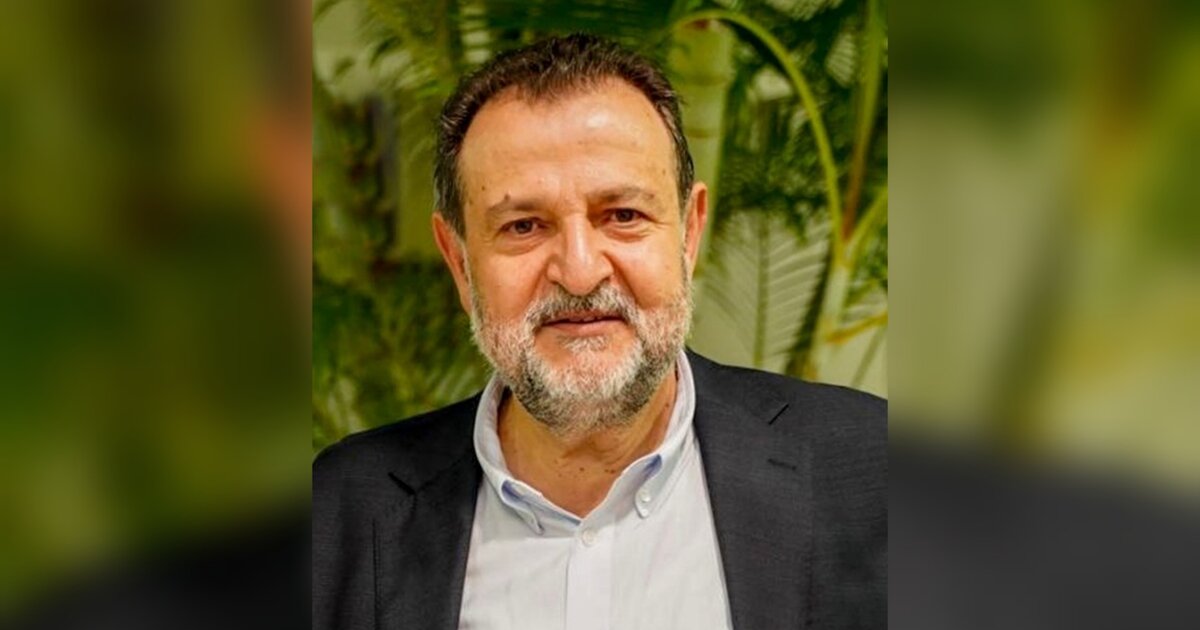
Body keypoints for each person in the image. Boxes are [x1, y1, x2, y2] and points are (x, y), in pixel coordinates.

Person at [312, 33, 886, 630]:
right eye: (524, 225)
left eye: (623, 215)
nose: (580, 273)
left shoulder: (874, 476)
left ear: (689, 233)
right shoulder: (337, 515)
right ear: (459, 262)